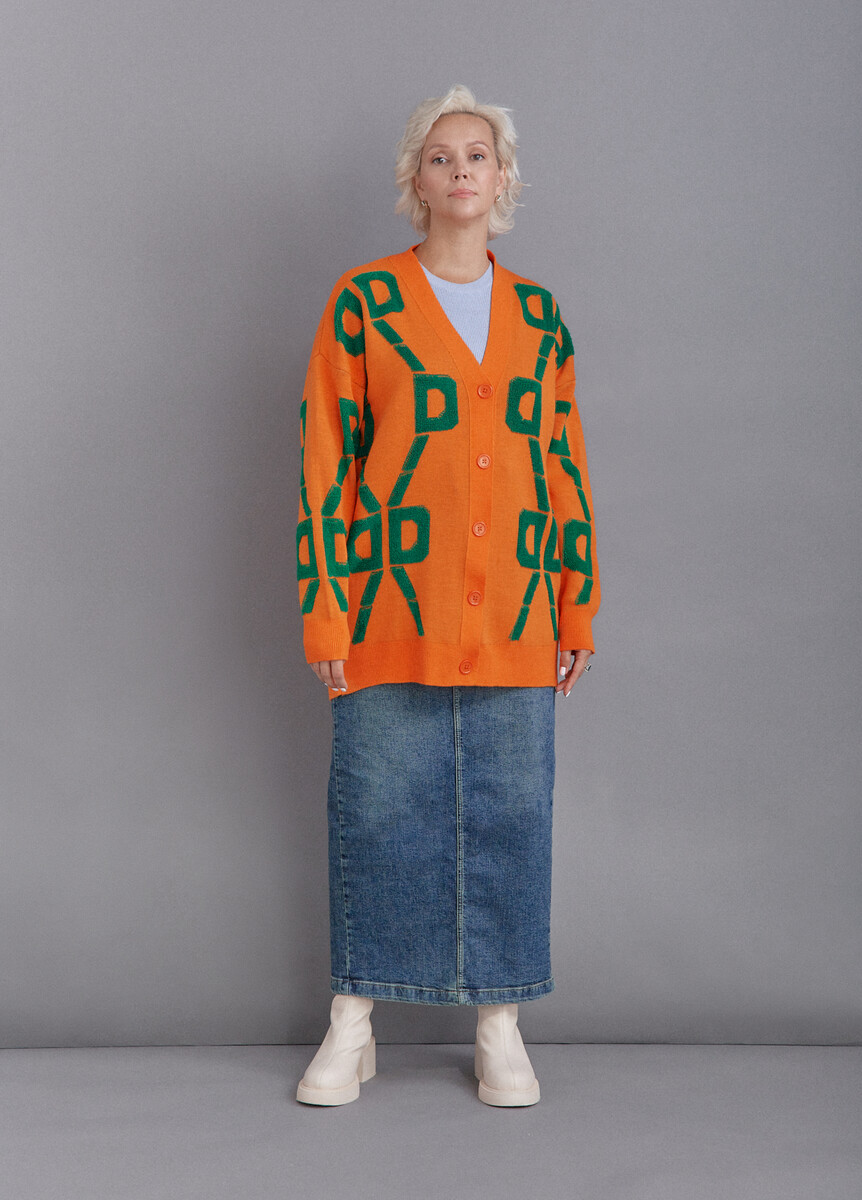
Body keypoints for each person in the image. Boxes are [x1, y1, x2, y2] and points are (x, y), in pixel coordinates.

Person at [294, 85, 599, 1107]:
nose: (461, 168)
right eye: (441, 156)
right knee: (377, 806)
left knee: (512, 810)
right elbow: (326, 465)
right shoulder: (364, 304)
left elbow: (563, 467)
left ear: (502, 180)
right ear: (415, 182)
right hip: (389, 607)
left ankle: (499, 1023)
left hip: (516, 611)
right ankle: (354, 1018)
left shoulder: (540, 317)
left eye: (478, 155)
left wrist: (577, 605)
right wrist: (326, 609)